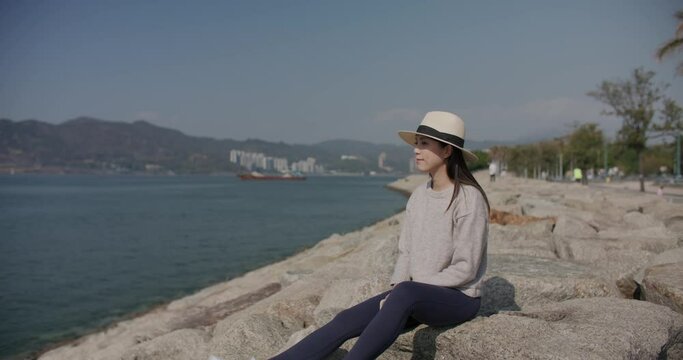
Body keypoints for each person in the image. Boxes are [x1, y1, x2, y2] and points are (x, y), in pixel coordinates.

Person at [269, 111, 490, 360]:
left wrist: (403, 292)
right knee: (345, 320)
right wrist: (397, 292)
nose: (416, 150)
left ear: (447, 151)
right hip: (414, 294)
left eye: (424, 144)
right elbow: (406, 251)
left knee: (405, 294)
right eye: (416, 144)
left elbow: (466, 268)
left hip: (458, 298)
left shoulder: (469, 199)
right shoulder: (419, 196)